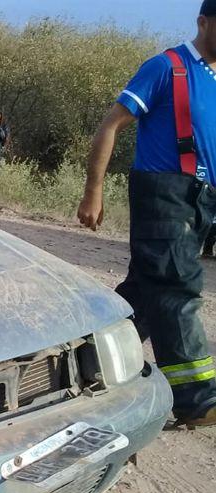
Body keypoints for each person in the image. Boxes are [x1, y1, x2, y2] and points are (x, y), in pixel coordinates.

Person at [77, 0, 216, 427]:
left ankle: (85, 364)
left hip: (202, 200)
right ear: (203, 22)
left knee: (144, 290)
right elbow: (111, 125)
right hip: (163, 194)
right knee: (176, 288)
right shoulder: (166, 67)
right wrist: (93, 191)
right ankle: (198, 400)